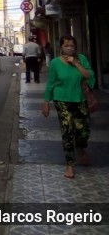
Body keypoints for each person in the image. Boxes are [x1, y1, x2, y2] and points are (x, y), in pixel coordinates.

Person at [41, 35, 95, 179]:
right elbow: (51, 83)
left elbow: (89, 76)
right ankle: (70, 165)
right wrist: (46, 102)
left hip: (80, 99)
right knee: (67, 131)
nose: (70, 48)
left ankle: (80, 147)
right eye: (67, 45)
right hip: (61, 100)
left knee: (83, 131)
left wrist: (76, 63)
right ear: (61, 47)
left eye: (72, 45)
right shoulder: (55, 63)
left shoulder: (82, 59)